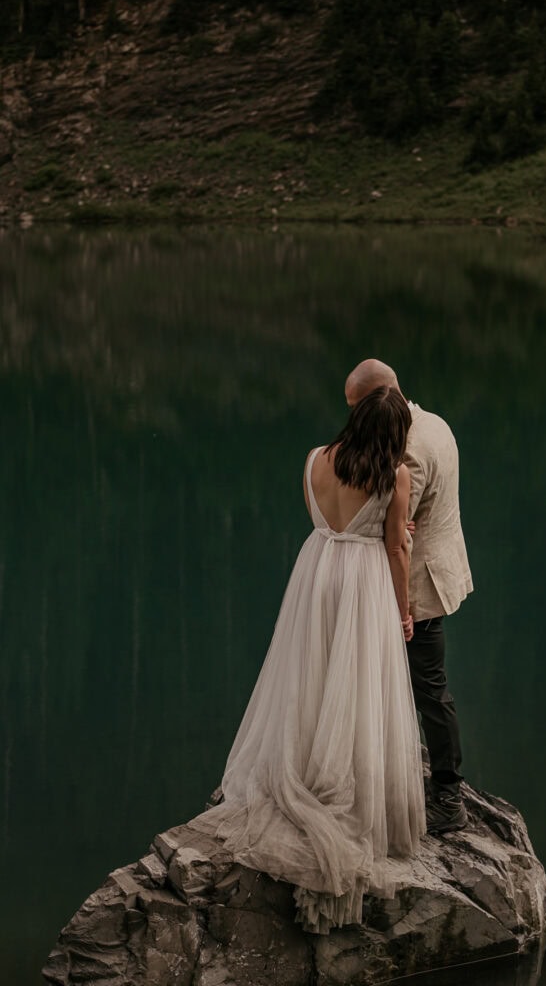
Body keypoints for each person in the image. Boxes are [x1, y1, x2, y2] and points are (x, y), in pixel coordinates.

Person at [191, 386, 425, 933]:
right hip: (363, 581)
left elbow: (327, 520)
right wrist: (405, 610)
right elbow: (394, 547)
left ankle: (300, 766)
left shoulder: (315, 459)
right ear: (393, 435)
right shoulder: (395, 477)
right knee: (358, 687)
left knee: (310, 677)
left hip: (316, 570)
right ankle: (345, 788)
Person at [345, 360, 473, 834]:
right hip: (438, 568)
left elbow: (395, 536)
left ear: (382, 398)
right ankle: (402, 779)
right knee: (420, 687)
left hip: (414, 586)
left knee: (428, 691)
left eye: (357, 409)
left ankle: (447, 795)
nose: (355, 420)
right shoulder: (433, 421)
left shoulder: (408, 451)